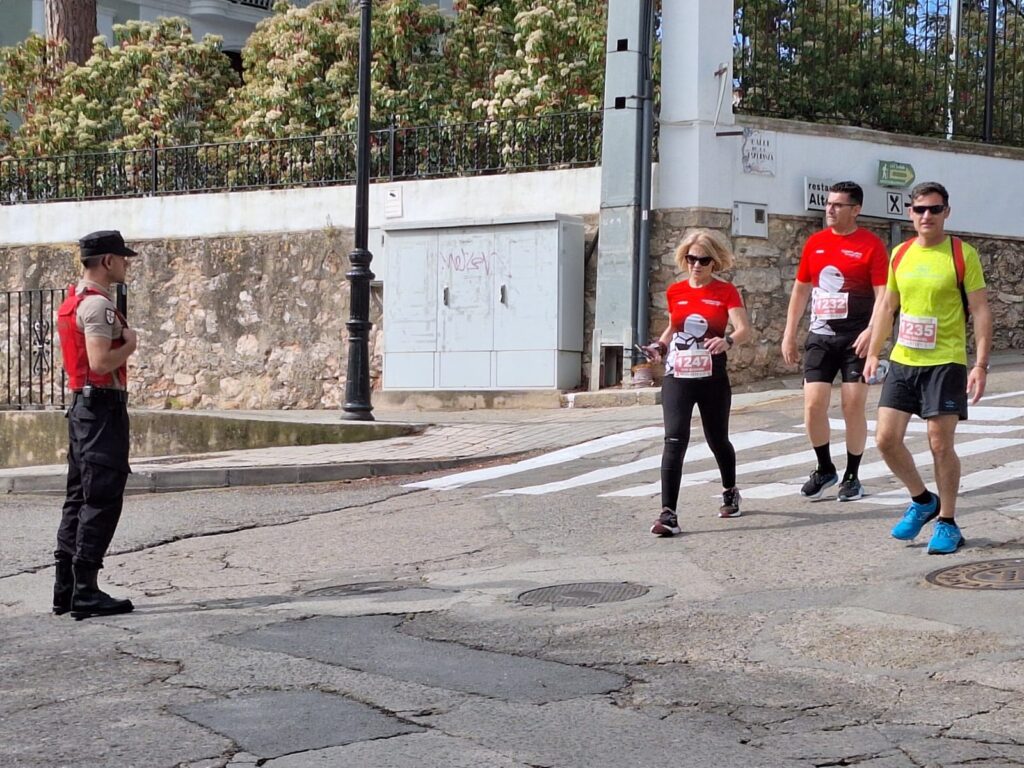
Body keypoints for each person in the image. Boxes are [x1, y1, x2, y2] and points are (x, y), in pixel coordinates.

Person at [864, 181, 992, 555]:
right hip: (904, 360)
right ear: (910, 213)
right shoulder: (900, 254)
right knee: (886, 440)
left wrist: (980, 364)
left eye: (934, 209)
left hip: (946, 361)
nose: (926, 216)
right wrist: (874, 352)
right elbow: (887, 307)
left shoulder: (961, 254)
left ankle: (948, 521)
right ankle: (922, 500)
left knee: (940, 443)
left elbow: (981, 310)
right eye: (919, 209)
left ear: (946, 212)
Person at [781, 181, 888, 502]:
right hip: (821, 337)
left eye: (838, 205)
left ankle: (853, 475)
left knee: (852, 405)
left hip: (857, 339)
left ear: (855, 209)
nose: (830, 209)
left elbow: (884, 295)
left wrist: (873, 331)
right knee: (813, 405)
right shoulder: (815, 243)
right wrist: (789, 333)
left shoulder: (870, 245)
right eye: (828, 204)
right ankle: (825, 467)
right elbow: (801, 290)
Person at [53, 230, 139, 619]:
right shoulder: (99, 307)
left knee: (78, 495)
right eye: (122, 258)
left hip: (82, 409)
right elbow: (102, 362)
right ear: (107, 261)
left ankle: (66, 588)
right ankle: (86, 589)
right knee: (102, 496)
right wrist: (130, 344)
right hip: (102, 409)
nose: (125, 264)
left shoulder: (75, 302)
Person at [644, 229, 751, 536]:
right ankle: (669, 514)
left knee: (717, 438)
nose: (697, 265)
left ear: (714, 262)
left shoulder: (725, 291)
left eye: (704, 260)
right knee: (674, 440)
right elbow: (672, 328)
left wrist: (727, 341)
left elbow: (743, 329)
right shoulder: (676, 291)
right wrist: (660, 347)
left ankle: (730, 490)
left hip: (711, 375)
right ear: (684, 259)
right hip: (678, 375)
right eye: (691, 259)